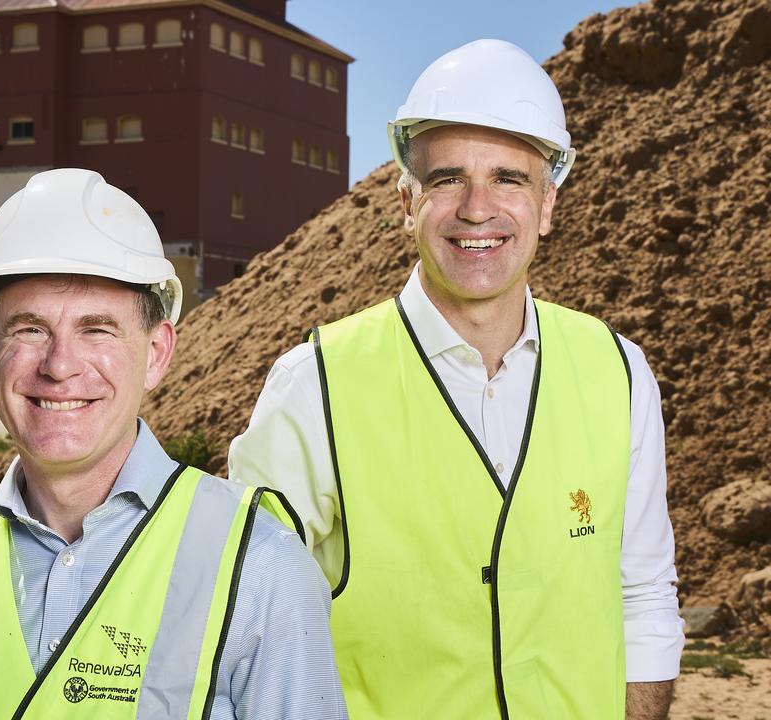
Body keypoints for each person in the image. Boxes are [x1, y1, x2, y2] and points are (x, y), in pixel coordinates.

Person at [229, 39, 683, 719]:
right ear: (407, 200)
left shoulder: (617, 372)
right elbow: (242, 628)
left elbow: (644, 598)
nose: (478, 208)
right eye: (447, 180)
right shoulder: (316, 385)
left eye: (508, 178)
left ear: (548, 205)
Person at [0, 169, 345, 719]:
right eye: (30, 329)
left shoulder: (259, 564)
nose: (60, 366)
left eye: (96, 330)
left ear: (157, 353)